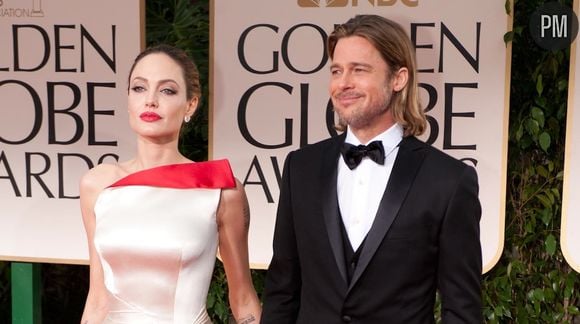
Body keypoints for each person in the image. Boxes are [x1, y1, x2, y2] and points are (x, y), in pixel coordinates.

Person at [261, 14, 482, 323]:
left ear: (398, 78)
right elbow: (282, 291)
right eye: (336, 71)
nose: (343, 83)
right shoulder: (301, 168)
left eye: (359, 70)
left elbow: (463, 310)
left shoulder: (448, 180)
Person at [79, 44, 261, 324]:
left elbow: (243, 299)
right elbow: (98, 298)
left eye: (167, 90)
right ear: (127, 98)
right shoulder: (97, 185)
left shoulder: (220, 190)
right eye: (139, 88)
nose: (150, 100)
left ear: (191, 104)